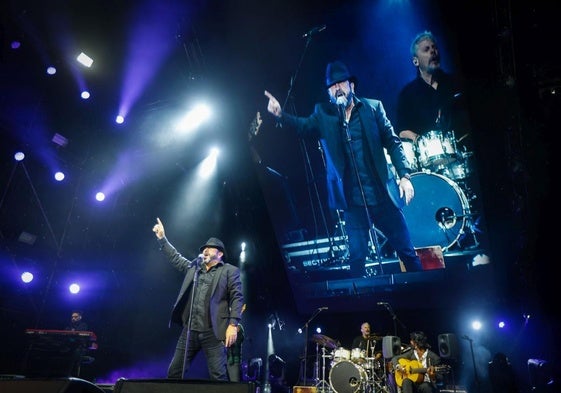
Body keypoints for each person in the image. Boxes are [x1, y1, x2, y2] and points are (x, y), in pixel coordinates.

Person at [264, 60, 422, 277]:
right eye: (332, 85)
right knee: (357, 259)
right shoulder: (324, 115)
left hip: (383, 197)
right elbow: (303, 126)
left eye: (341, 83)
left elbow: (393, 142)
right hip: (353, 202)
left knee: (407, 252)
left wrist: (405, 175)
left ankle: (425, 293)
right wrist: (281, 115)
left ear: (352, 86)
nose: (337, 88)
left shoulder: (373, 108)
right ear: (328, 91)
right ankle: (361, 306)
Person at [152, 217, 244, 381]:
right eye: (205, 248)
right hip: (190, 330)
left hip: (213, 333)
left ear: (220, 253)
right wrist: (162, 239)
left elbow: (237, 297)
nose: (206, 250)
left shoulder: (230, 271)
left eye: (210, 248)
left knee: (218, 377)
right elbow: (176, 258)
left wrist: (232, 325)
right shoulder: (194, 267)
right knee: (174, 373)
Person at [395, 31, 471, 174]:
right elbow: (402, 130)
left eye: (434, 48)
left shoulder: (455, 82)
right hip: (430, 166)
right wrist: (421, 141)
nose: (433, 52)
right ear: (415, 61)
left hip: (465, 156)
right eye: (426, 49)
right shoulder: (407, 94)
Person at [227, 303, 246, 382]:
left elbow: (238, 341)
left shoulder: (239, 328)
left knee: (235, 384)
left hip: (235, 361)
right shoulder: (225, 326)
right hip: (224, 360)